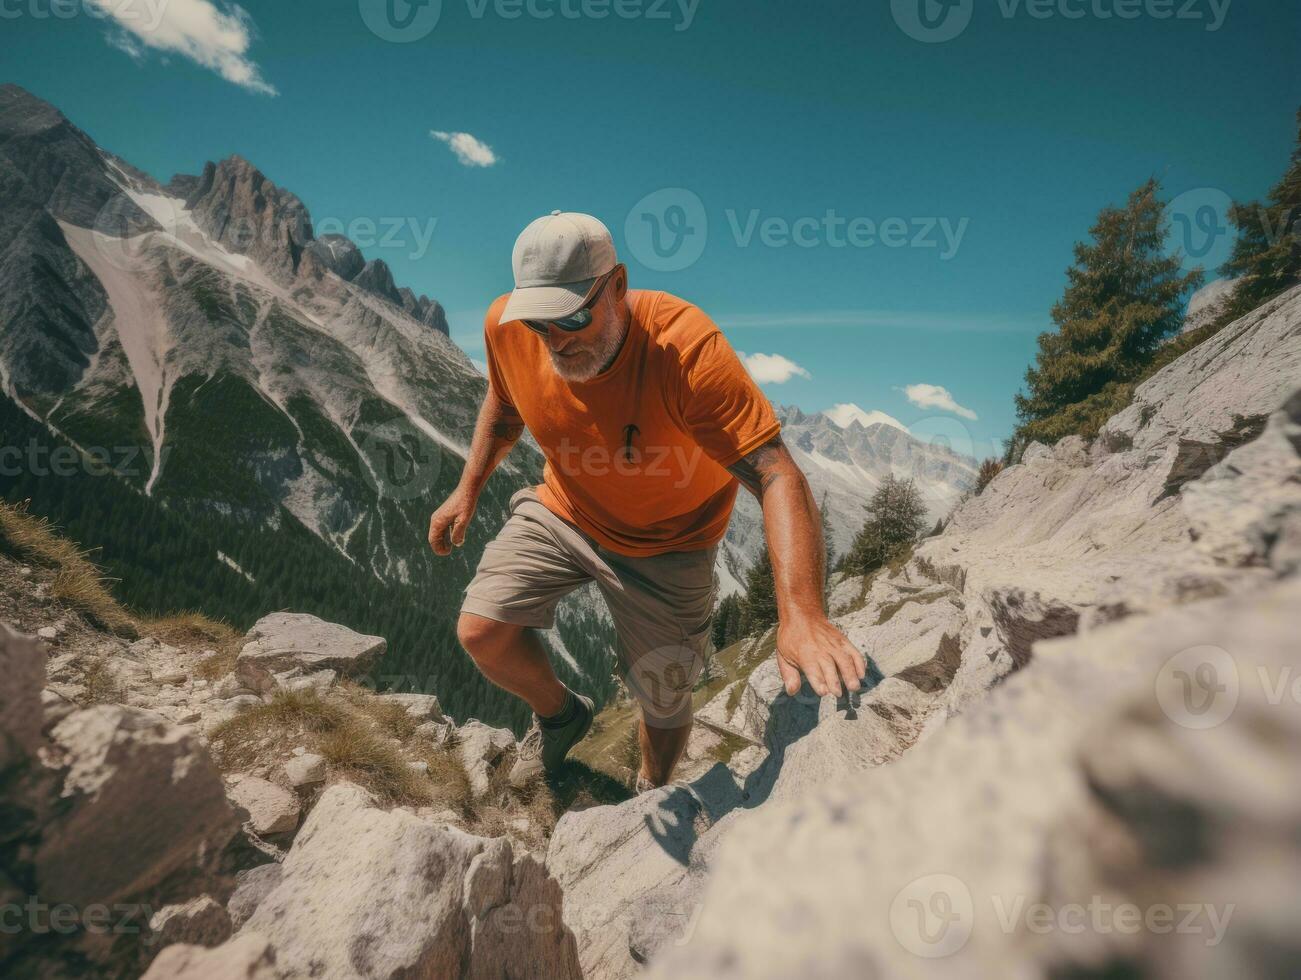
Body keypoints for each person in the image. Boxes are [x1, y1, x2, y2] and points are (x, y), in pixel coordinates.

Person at [429, 211, 865, 791]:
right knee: (482, 632)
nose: (556, 340)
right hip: (566, 509)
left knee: (663, 700)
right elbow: (505, 406)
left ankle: (650, 788)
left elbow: (776, 473)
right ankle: (562, 716)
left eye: (573, 317)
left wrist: (803, 614)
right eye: (540, 325)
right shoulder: (506, 326)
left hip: (672, 544)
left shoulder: (685, 349)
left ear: (617, 286)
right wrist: (467, 489)